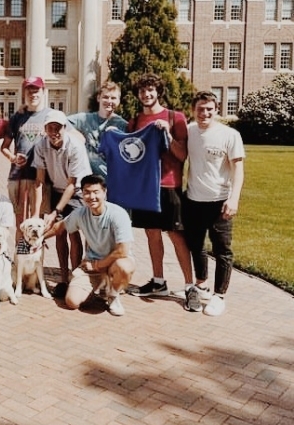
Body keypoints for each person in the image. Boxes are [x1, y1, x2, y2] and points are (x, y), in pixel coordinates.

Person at [126, 73, 194, 301]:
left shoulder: (176, 118)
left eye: (151, 90)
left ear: (158, 92)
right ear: (138, 95)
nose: (147, 94)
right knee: (152, 234)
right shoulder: (134, 122)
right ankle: (158, 281)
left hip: (169, 186)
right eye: (142, 91)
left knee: (176, 235)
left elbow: (182, 155)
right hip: (146, 189)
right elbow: (130, 155)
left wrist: (166, 131)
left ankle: (189, 286)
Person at [183, 91, 245, 316]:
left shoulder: (230, 135)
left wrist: (234, 198)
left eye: (209, 109)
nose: (204, 113)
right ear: (193, 110)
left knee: (222, 250)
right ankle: (202, 286)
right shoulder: (188, 131)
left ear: (216, 110)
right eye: (200, 108)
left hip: (220, 202)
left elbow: (238, 169)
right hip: (193, 200)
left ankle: (219, 295)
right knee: (196, 245)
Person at [45, 175, 135, 316]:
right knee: (72, 302)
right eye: (87, 192)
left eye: (96, 192)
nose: (91, 196)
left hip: (114, 263)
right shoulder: (80, 213)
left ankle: (113, 295)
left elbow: (122, 251)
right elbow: (59, 227)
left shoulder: (118, 214)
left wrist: (97, 265)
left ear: (104, 192)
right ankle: (97, 291)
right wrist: (37, 240)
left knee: (124, 267)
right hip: (91, 264)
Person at [32, 109, 92, 299]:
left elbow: (72, 185)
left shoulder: (75, 146)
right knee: (59, 234)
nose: (55, 132)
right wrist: (37, 213)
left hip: (77, 191)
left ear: (65, 128)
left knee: (73, 234)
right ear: (46, 129)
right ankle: (63, 279)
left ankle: (75, 277)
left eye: (58, 128)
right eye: (51, 128)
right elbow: (40, 181)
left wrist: (55, 212)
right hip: (56, 189)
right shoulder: (41, 145)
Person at [0, 76, 52, 239]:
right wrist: (13, 158)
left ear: (43, 91)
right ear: (24, 93)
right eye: (29, 90)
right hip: (18, 174)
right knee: (20, 221)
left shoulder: (51, 115)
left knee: (37, 222)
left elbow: (69, 135)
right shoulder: (17, 117)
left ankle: (36, 259)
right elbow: (4, 147)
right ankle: (19, 258)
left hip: (41, 176)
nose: (33, 93)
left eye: (36, 90)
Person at [66, 81, 128, 179]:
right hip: (87, 179)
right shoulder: (84, 119)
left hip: (111, 179)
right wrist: (75, 133)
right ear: (98, 98)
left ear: (119, 101)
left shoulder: (123, 125)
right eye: (105, 97)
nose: (109, 101)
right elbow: (62, 122)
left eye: (113, 98)